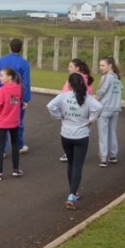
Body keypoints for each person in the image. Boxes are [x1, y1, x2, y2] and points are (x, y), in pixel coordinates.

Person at [47, 73, 103, 209]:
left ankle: (73, 191)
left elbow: (50, 106)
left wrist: (59, 116)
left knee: (71, 164)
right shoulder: (88, 99)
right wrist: (91, 119)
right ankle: (72, 195)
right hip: (81, 135)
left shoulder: (63, 96)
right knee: (78, 165)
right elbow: (99, 107)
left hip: (66, 135)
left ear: (70, 84)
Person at [0, 39, 31, 154]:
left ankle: (3, 149)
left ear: (10, 47)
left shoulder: (1, 60)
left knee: (3, 120)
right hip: (17, 96)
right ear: (21, 48)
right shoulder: (24, 63)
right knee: (18, 120)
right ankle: (19, 145)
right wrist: (25, 99)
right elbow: (25, 82)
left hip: (3, 94)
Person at [0, 67, 24, 181]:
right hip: (14, 122)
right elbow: (18, 102)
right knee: (15, 144)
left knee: (0, 146)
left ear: (9, 77)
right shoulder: (19, 88)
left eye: (2, 75)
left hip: (3, 122)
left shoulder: (2, 91)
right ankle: (16, 170)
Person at [58, 58, 94, 162]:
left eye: (71, 66)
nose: (68, 68)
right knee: (83, 130)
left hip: (74, 107)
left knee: (71, 128)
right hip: (86, 108)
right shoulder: (85, 77)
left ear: (77, 68)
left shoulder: (75, 79)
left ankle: (69, 153)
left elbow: (65, 92)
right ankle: (77, 152)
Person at [94, 56, 123, 167]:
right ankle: (113, 155)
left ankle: (103, 158)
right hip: (115, 109)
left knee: (103, 134)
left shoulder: (106, 77)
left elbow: (101, 93)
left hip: (105, 110)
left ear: (110, 65)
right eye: (100, 65)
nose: (100, 68)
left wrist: (92, 103)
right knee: (112, 132)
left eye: (103, 65)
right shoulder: (117, 78)